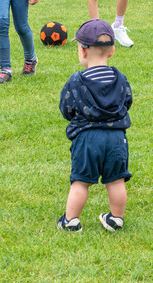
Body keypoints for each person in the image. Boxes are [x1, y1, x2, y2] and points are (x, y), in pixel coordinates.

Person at [57, 19, 133, 233]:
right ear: (112, 51)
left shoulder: (76, 81)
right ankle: (116, 218)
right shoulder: (121, 78)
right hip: (117, 138)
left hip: (87, 139)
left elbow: (67, 108)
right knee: (117, 180)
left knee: (81, 181)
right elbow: (127, 101)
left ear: (82, 51)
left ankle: (71, 221)